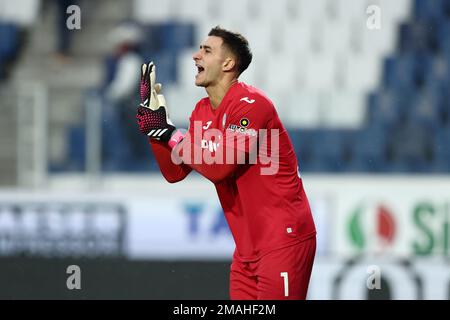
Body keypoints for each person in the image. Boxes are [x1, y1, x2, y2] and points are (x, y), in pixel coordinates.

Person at [136, 26, 316, 300]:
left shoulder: (253, 104)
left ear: (228, 63)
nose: (196, 56)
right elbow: (175, 172)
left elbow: (221, 166)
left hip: (283, 239)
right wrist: (156, 129)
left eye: (207, 51)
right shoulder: (201, 112)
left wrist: (170, 133)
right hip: (246, 250)